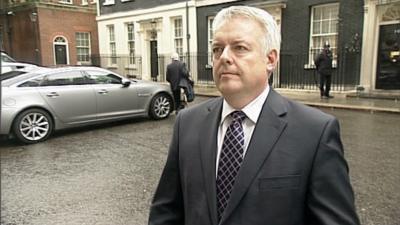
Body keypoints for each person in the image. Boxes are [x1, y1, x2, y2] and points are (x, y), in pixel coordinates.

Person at [149, 6, 359, 225]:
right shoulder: (187, 123)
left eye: (239, 47)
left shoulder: (315, 132)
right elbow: (166, 210)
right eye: (217, 49)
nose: (224, 57)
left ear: (270, 59)